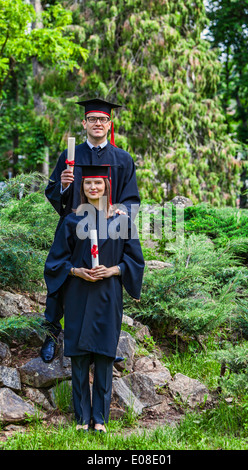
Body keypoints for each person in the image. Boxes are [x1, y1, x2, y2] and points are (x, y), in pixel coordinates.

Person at [44, 165, 144, 433]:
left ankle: (99, 419)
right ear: (82, 188)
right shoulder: (71, 221)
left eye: (98, 183)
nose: (93, 188)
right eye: (88, 184)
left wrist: (112, 269)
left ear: (106, 186)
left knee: (103, 356)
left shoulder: (121, 221)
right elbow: (55, 262)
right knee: (78, 356)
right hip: (78, 293)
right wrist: (76, 271)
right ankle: (81, 419)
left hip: (108, 294)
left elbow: (135, 260)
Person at [41, 98, 141, 362]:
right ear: (84, 123)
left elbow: (132, 199)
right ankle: (52, 333)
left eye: (103, 119)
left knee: (104, 284)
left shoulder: (123, 159)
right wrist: (63, 186)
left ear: (110, 125)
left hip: (109, 231)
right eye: (93, 119)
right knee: (62, 276)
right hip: (74, 228)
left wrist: (122, 212)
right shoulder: (69, 156)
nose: (98, 123)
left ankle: (105, 343)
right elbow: (53, 193)